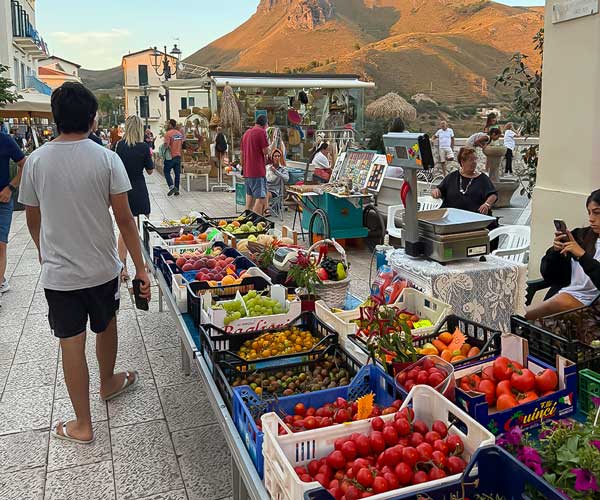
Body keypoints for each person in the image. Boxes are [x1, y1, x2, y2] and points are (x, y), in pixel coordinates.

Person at [18, 82, 151, 444]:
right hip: (102, 268)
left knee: (70, 343)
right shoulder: (107, 158)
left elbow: (33, 215)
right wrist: (140, 268)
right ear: (93, 119)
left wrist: (41, 250)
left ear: (56, 118)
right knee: (106, 326)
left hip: (59, 275)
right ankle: (108, 383)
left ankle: (82, 424)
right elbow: (125, 219)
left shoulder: (36, 161)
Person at [525, 190, 600, 320]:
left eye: (597, 213)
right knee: (520, 318)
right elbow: (551, 276)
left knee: (521, 317)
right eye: (589, 212)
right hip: (562, 297)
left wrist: (582, 256)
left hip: (589, 312)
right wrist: (555, 253)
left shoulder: (579, 245)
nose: (591, 218)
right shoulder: (580, 235)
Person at [115, 116, 154, 281]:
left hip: (123, 189)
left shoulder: (119, 146)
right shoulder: (143, 147)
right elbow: (151, 170)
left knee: (125, 229)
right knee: (144, 226)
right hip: (139, 188)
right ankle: (147, 263)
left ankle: (122, 267)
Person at [431, 147, 498, 216]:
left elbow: (493, 195)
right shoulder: (452, 177)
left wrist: (487, 204)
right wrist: (436, 191)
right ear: (462, 162)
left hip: (476, 217)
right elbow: (439, 189)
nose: (474, 162)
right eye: (471, 160)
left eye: (475, 159)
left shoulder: (482, 178)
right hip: (452, 217)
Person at [0, 130, 26, 293]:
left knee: (0, 244)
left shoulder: (4, 139)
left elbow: (24, 163)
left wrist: (10, 188)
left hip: (2, 199)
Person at [241, 115, 269, 214]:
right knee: (260, 198)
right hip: (257, 170)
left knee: (250, 198)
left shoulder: (246, 133)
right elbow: (265, 151)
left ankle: (245, 217)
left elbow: (242, 152)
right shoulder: (261, 132)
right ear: (265, 124)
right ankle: (255, 220)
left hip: (247, 170)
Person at [265, 148, 289, 216]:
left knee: (266, 194)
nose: (277, 158)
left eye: (279, 156)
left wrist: (275, 172)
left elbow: (286, 179)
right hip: (265, 188)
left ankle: (266, 210)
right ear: (272, 157)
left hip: (275, 191)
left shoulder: (283, 169)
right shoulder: (267, 167)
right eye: (275, 156)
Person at [163, 119, 184, 196]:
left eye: (168, 124)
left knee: (166, 171)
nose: (167, 125)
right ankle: (177, 190)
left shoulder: (168, 134)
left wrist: (163, 149)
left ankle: (172, 187)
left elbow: (166, 145)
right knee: (177, 174)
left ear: (171, 125)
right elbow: (181, 144)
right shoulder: (179, 134)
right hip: (178, 156)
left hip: (170, 157)